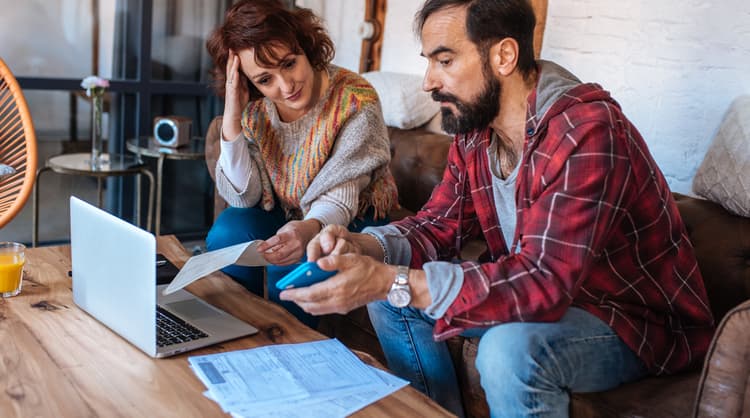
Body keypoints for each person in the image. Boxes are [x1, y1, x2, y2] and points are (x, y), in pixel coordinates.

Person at [278, 0, 716, 416]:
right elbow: (436, 227)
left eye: (444, 60)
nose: (428, 80)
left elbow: (544, 281)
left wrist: (392, 278)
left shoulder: (586, 131)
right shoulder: (475, 131)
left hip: (631, 321)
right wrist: (361, 246)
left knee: (508, 350)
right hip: (551, 298)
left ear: (504, 55)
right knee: (391, 296)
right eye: (429, 61)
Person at [204, 0, 398, 328]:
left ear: (305, 46)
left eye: (289, 63)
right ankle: (236, 331)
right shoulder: (254, 108)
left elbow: (341, 195)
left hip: (352, 213)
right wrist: (233, 117)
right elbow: (243, 197)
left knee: (292, 264)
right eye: (265, 80)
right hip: (287, 209)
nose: (285, 85)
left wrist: (308, 229)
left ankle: (290, 348)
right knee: (227, 232)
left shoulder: (355, 100)